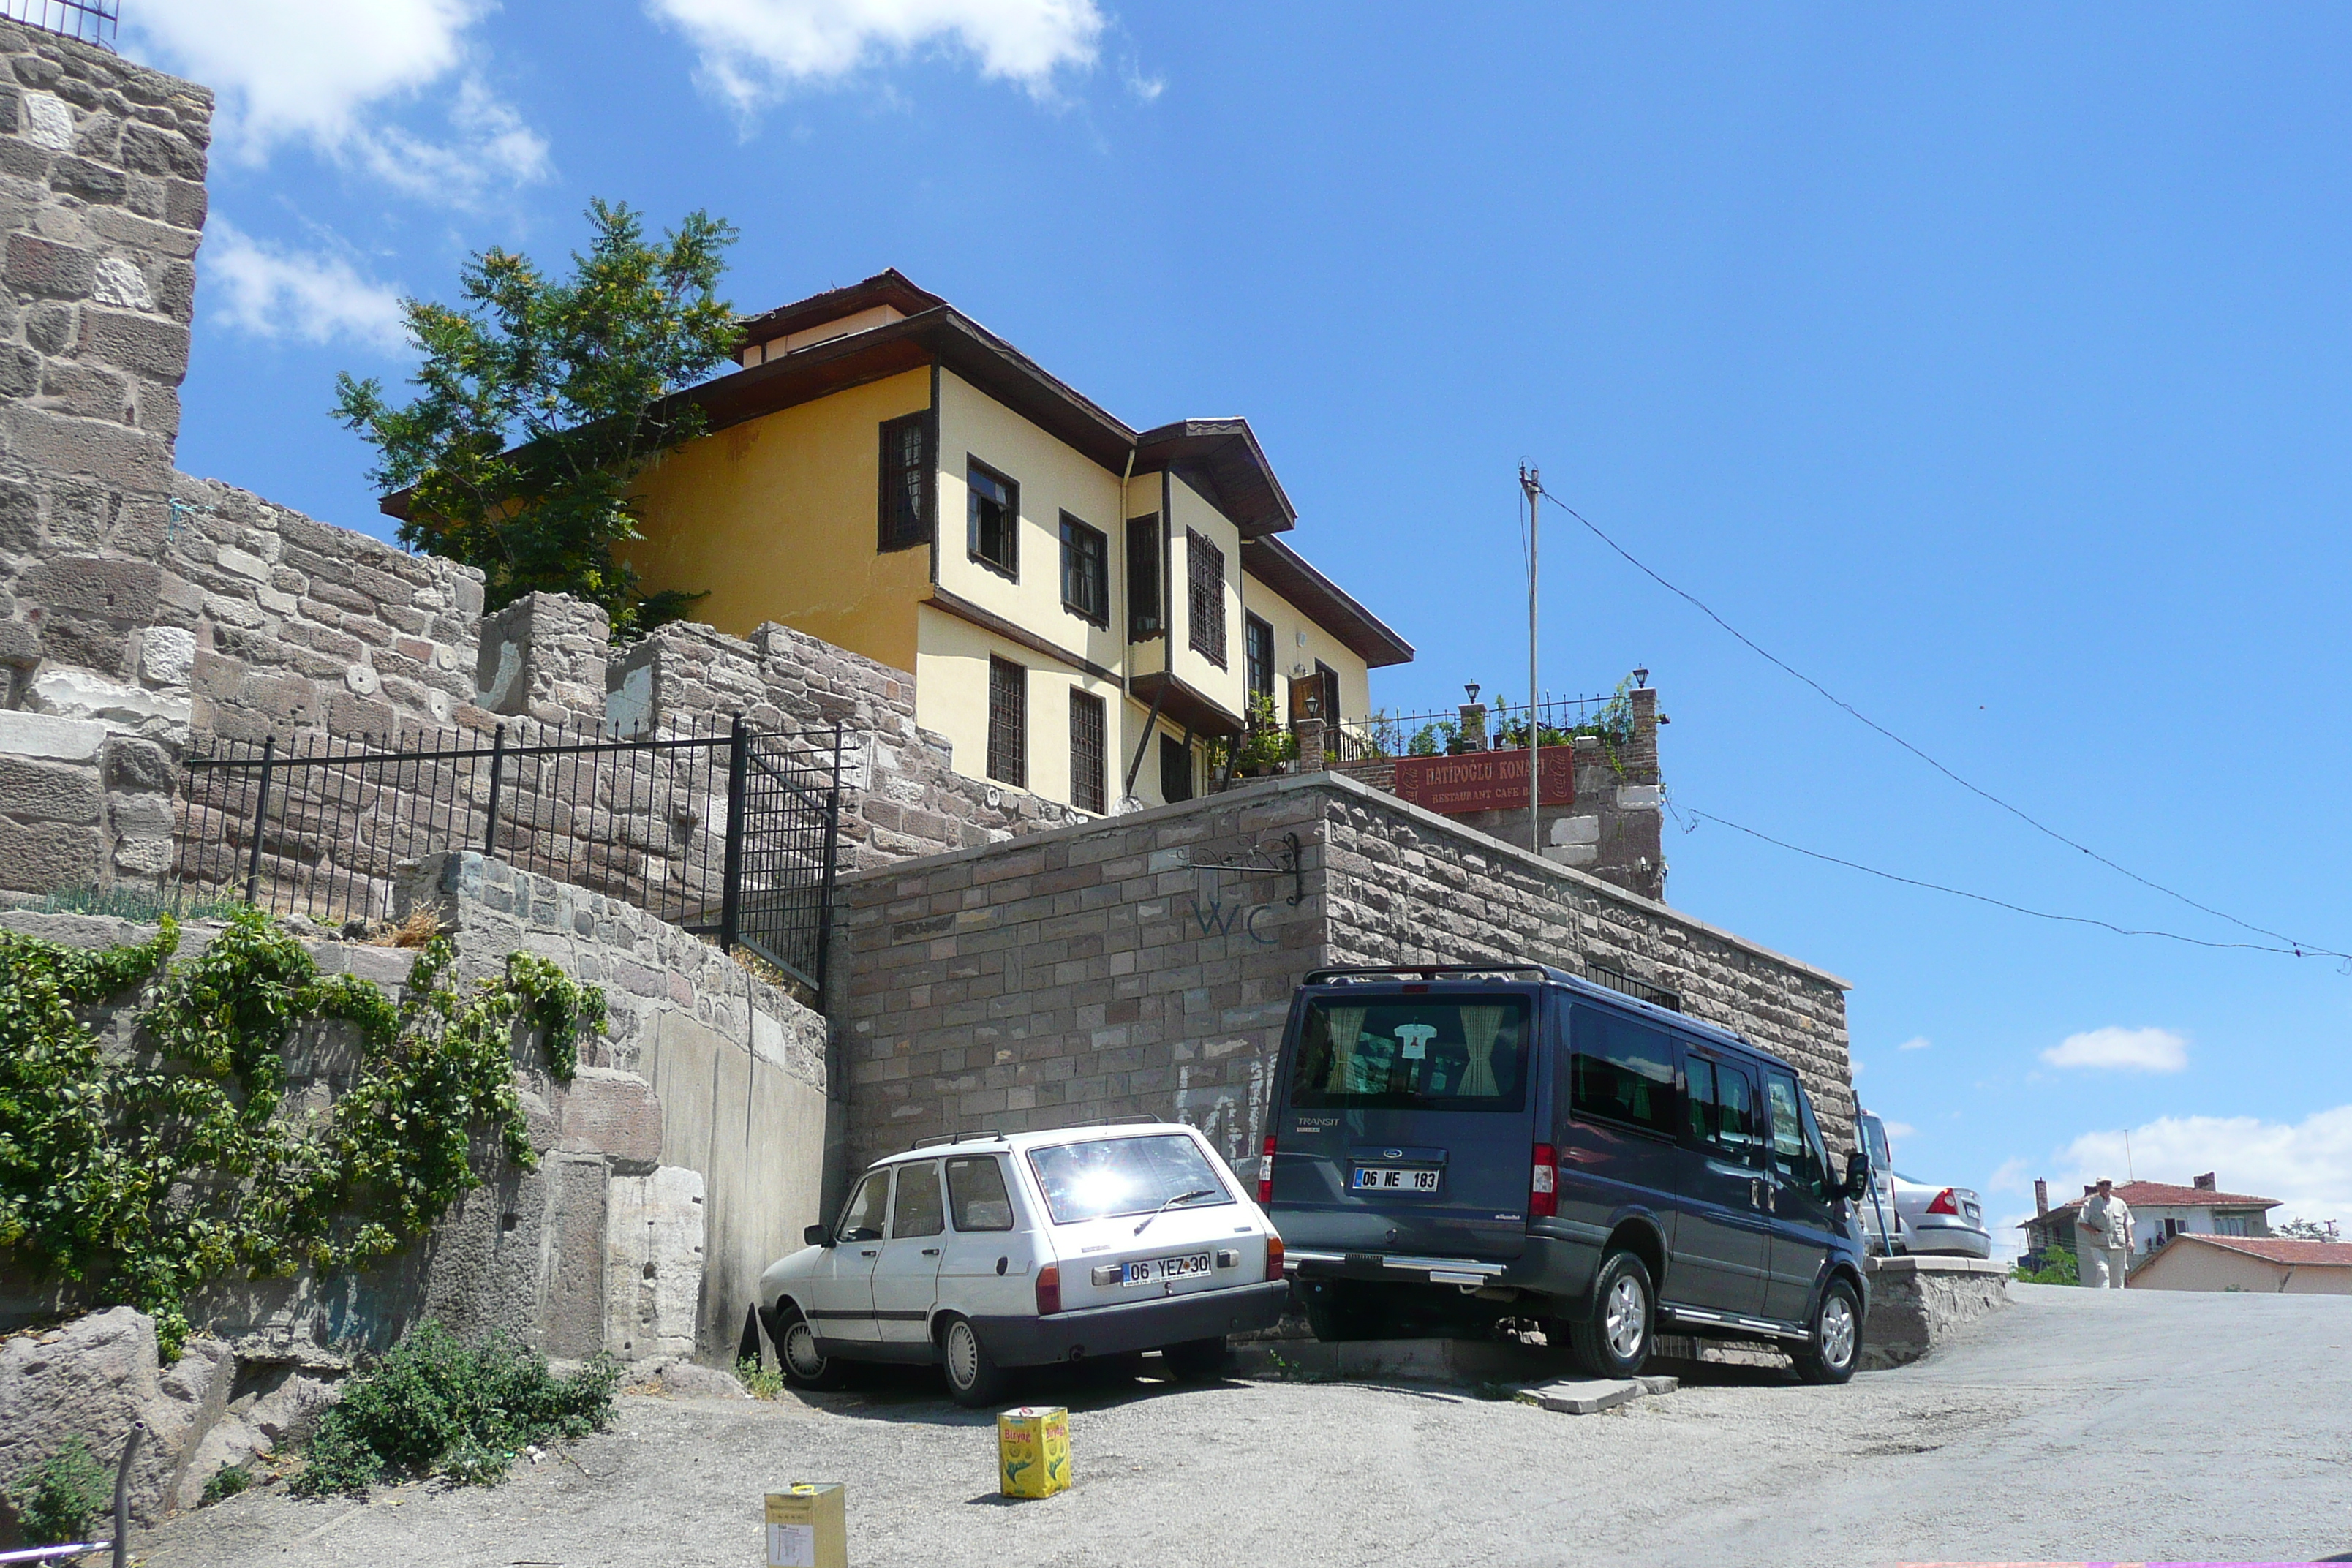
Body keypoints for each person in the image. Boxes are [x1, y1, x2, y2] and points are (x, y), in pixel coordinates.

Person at [2074, 1178, 2134, 1289]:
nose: (2105, 1187)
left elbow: (2127, 1223)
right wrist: (2094, 1231)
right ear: (2097, 1187)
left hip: (2118, 1246)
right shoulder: (2091, 1203)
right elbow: (2082, 1222)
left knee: (2118, 1278)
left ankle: (2117, 1302)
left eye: (2108, 1184)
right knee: (2104, 1272)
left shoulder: (2120, 1203)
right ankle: (2102, 1299)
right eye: (2102, 1184)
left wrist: (2130, 1240)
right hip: (2099, 1246)